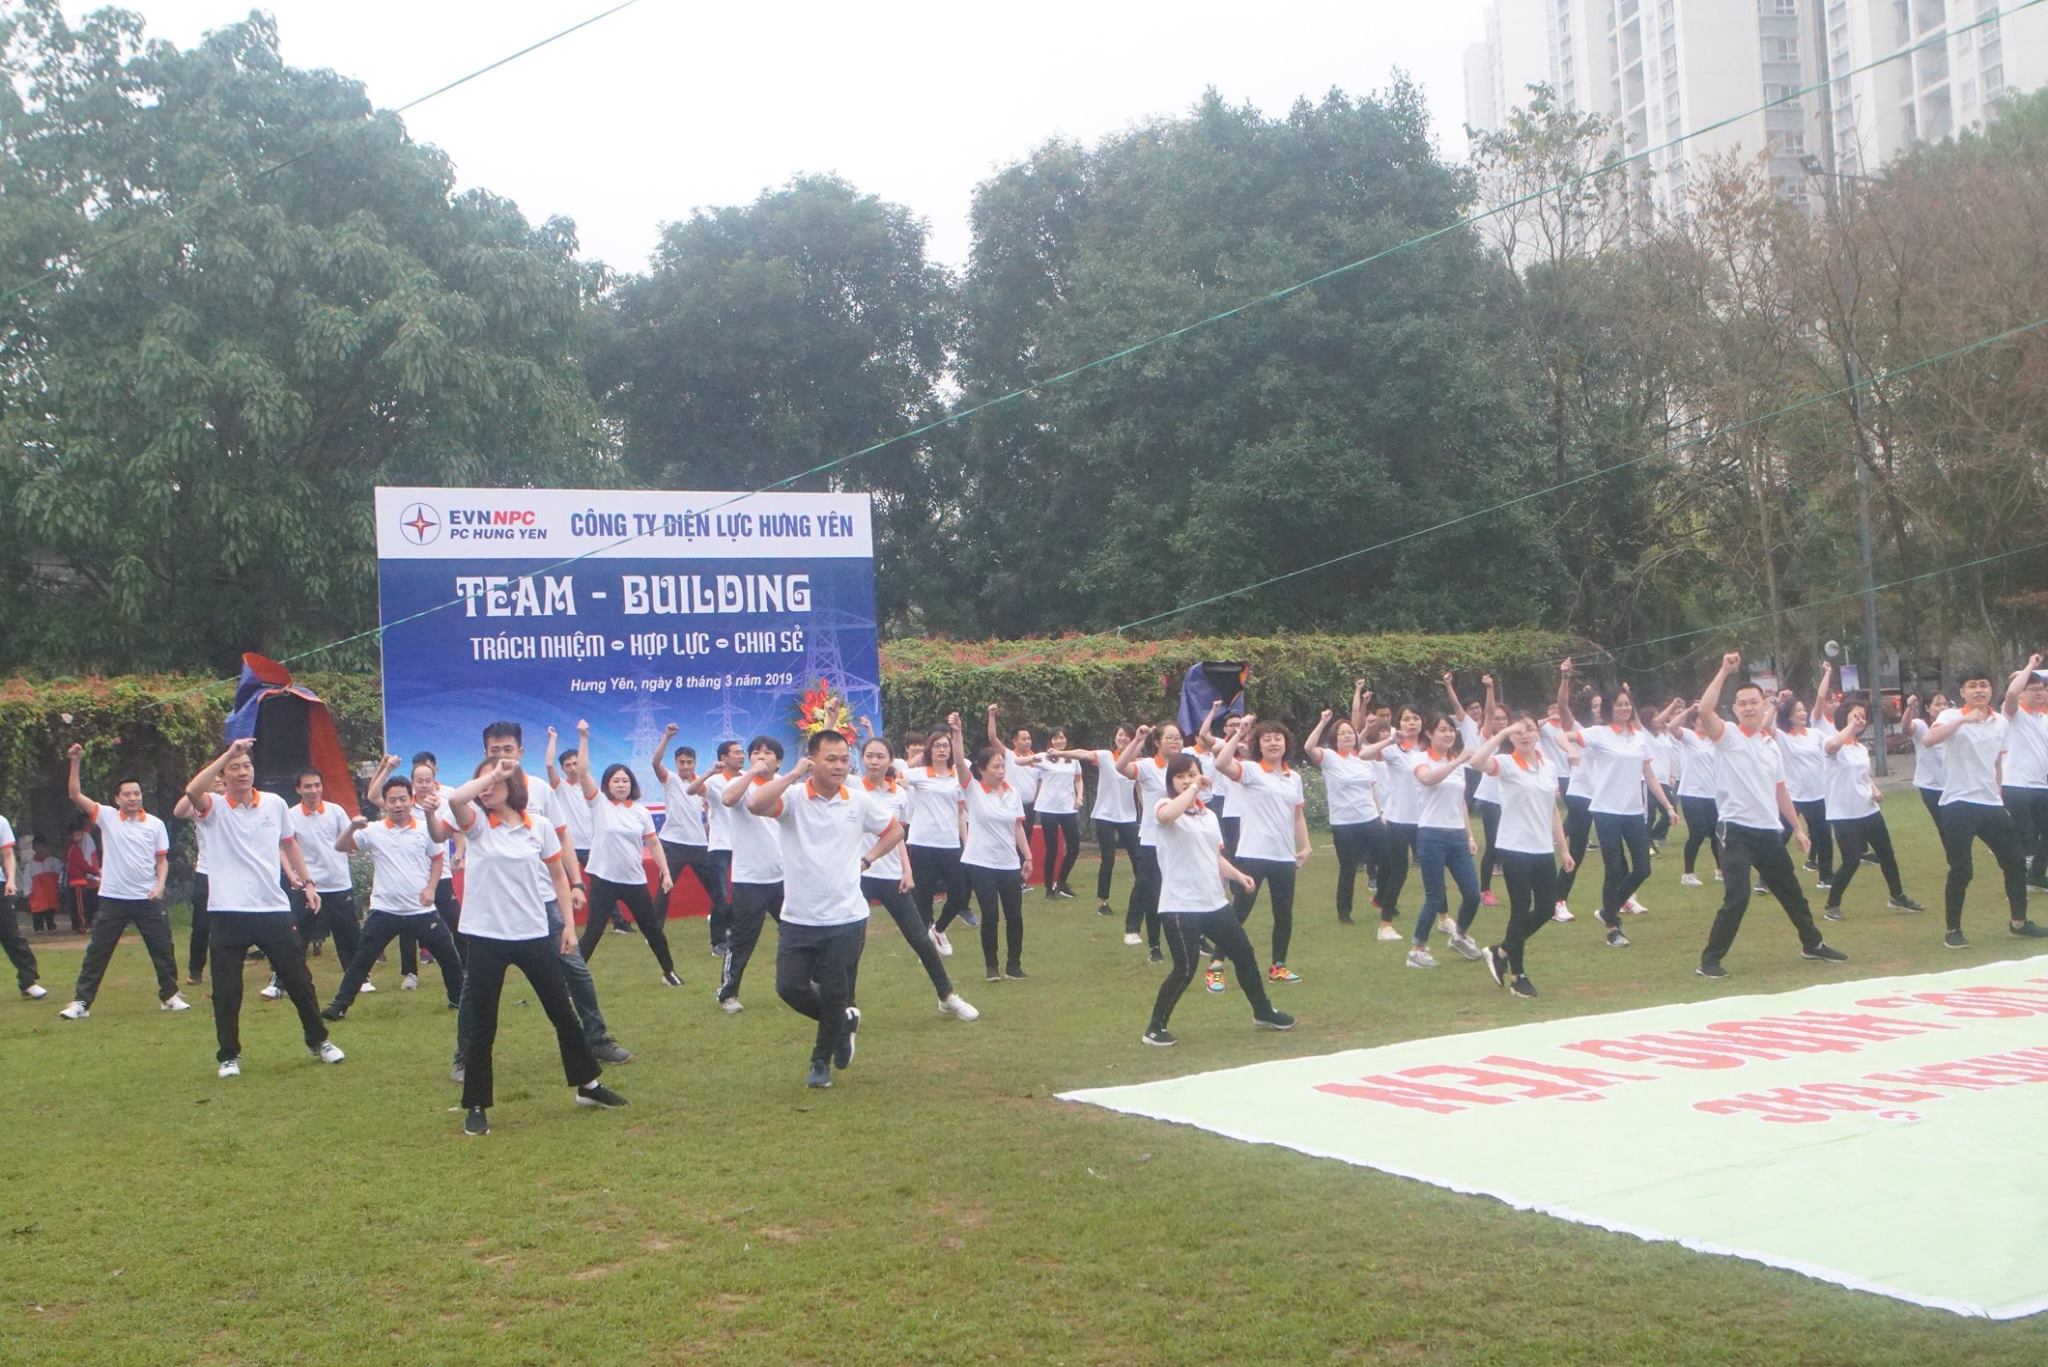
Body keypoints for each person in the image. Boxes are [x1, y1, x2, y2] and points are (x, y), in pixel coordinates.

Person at [445, 757, 627, 1136]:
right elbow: (456, 801)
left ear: (515, 787)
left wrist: (568, 928)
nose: (487, 788)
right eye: (483, 783)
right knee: (483, 1025)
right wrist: (491, 774)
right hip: (485, 937)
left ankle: (588, 1086)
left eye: (495, 782)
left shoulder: (538, 826)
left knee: (563, 1013)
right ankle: (476, 1104)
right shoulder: (477, 825)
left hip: (532, 933)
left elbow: (558, 877)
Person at [746, 730, 910, 1088]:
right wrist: (791, 774)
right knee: (789, 988)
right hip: (799, 917)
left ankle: (820, 1062)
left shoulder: (858, 800)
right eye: (831, 759)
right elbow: (755, 805)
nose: (839, 766)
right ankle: (843, 1023)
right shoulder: (792, 797)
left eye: (843, 758)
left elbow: (894, 830)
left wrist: (867, 860)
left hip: (846, 917)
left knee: (835, 991)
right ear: (812, 760)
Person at [182, 738, 343, 1076]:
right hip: (226, 910)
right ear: (223, 775)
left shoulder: (273, 804)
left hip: (271, 908)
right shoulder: (213, 806)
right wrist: (227, 753)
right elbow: (192, 789)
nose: (242, 773)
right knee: (227, 989)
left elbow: (289, 844)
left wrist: (308, 883)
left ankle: (319, 1040)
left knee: (298, 979)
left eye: (247, 766)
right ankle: (228, 1055)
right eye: (234, 768)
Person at [1691, 653, 1850, 979]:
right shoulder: (1727, 736)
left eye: (1754, 702)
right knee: (1738, 897)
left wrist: (1799, 828)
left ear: (1765, 706)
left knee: (1792, 893)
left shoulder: (1770, 745)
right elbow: (1705, 709)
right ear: (1735, 709)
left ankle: (1812, 944)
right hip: (1734, 830)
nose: (1749, 707)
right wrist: (1723, 670)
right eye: (1742, 703)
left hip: (1767, 831)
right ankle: (1709, 961)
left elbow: (1781, 791)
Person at [1142, 753, 1296, 1046]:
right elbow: (1167, 816)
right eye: (1181, 776)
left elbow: (1213, 855)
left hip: (1213, 902)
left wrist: (1238, 875)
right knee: (1184, 969)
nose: (1188, 780)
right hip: (1180, 905)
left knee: (1244, 954)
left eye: (1192, 774)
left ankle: (1263, 1011)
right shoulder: (1164, 805)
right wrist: (1192, 789)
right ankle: (1154, 1027)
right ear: (1171, 782)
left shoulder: (1208, 815)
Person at [1921, 661, 2048, 948]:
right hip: (1957, 803)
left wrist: (1999, 796)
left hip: (1990, 803)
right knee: (1962, 868)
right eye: (1973, 686)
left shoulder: (2000, 722)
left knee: (2015, 861)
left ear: (1991, 690)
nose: (1979, 690)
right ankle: (1953, 930)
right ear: (1963, 692)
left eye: (1984, 685)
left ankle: (2019, 922)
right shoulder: (1951, 715)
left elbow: (1996, 763)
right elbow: (1929, 740)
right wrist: (1963, 721)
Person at [56, 743, 188, 1019]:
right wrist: (76, 762)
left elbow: (162, 860)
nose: (132, 798)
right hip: (114, 897)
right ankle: (82, 1003)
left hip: (147, 897)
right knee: (98, 951)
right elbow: (74, 794)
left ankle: (169, 996)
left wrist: (160, 885)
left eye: (136, 794)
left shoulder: (155, 824)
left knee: (162, 948)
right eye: (127, 795)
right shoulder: (106, 816)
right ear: (117, 799)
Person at [856, 736, 978, 1020]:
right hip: (857, 876)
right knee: (852, 944)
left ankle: (947, 997)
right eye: (869, 756)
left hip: (891, 877)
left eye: (880, 756)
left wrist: (907, 870)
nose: (874, 761)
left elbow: (897, 834)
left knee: (921, 940)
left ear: (890, 761)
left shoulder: (898, 794)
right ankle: (846, 1006)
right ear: (862, 759)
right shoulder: (850, 788)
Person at [320, 773, 462, 1017]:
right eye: (393, 800)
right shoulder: (373, 831)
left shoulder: (425, 829)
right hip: (385, 909)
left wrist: (430, 888)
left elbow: (438, 860)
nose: (398, 805)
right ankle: (339, 1007)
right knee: (362, 959)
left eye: (403, 800)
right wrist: (353, 826)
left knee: (449, 954)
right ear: (384, 803)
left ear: (411, 801)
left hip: (420, 909)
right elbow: (341, 847)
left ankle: (459, 1001)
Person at [1556, 662, 1675, 944]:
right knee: (1613, 869)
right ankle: (1612, 929)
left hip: (1634, 811)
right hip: (1606, 811)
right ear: (1610, 708)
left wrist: (1668, 806)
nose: (1624, 708)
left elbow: (1648, 774)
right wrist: (1571, 751)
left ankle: (1607, 910)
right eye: (1619, 704)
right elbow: (1562, 735)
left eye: (1627, 704)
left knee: (1643, 868)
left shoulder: (1639, 738)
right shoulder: (1599, 734)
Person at [1465, 717, 1572, 997]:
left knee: (1548, 907)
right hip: (1514, 847)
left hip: (1542, 847)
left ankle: (1500, 951)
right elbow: (1477, 762)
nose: (1524, 736)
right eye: (1519, 732)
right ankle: (1518, 976)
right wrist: (1503, 733)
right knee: (1521, 908)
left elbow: (1552, 810)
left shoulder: (1548, 766)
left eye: (1530, 730)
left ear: (1538, 734)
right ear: (1512, 737)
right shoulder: (1508, 764)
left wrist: (1563, 849)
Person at [569, 723, 680, 983]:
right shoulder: (599, 803)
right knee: (594, 931)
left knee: (652, 929)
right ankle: (572, 979)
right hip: (604, 879)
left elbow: (653, 844)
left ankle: (669, 972)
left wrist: (665, 872)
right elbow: (583, 772)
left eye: (625, 780)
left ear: (632, 785)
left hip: (634, 880)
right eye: (616, 780)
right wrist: (584, 737)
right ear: (607, 784)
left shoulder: (641, 812)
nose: (621, 784)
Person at [1211, 716, 1311, 986]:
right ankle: (1216, 963)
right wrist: (1239, 733)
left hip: (1283, 857)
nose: (1273, 742)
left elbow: (1297, 816)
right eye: (1266, 738)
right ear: (1257, 745)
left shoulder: (1294, 778)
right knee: (1240, 911)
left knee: (1284, 914)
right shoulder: (1252, 771)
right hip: (1253, 854)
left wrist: (1306, 846)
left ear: (1286, 742)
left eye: (1277, 738)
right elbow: (1221, 763)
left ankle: (1278, 965)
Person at [1819, 702, 1924, 920]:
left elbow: (1863, 775)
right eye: (1855, 715)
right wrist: (1849, 726)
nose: (1860, 719)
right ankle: (1832, 905)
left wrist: (1874, 789)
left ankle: (1897, 896)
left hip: (1868, 810)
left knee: (1887, 854)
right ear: (1844, 718)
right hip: (1844, 814)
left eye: (1863, 716)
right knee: (1851, 860)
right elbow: (1833, 746)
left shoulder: (1860, 748)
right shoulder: (1831, 742)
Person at [1398, 714, 1484, 968]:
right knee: (1435, 896)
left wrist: (1468, 834)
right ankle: (1417, 950)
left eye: (1451, 731)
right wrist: (1458, 760)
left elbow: (1461, 803)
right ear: (1430, 734)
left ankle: (1459, 936)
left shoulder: (1456, 764)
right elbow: (1427, 779)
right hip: (1431, 834)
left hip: (1456, 834)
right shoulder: (1420, 758)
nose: (1448, 735)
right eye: (1442, 730)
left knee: (1472, 893)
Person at [954, 714, 1034, 981]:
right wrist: (957, 733)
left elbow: (1018, 827)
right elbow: (958, 764)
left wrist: (1028, 856)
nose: (1001, 771)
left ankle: (1014, 964)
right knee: (990, 915)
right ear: (982, 769)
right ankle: (992, 966)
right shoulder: (973, 789)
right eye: (996, 767)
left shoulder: (1012, 793)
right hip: (981, 862)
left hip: (1009, 862)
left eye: (1003, 766)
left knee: (1015, 915)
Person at [717, 735, 788, 1012]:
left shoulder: (784, 785)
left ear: (779, 761)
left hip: (783, 876)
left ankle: (809, 981)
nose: (761, 757)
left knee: (798, 931)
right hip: (750, 878)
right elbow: (728, 798)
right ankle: (728, 993)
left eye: (768, 753)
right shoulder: (741, 783)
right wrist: (752, 775)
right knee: (743, 938)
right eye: (756, 753)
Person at [1304, 707, 1387, 931]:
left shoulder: (1361, 761)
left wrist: (1380, 816)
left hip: (1370, 818)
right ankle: (1344, 912)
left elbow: (1372, 791)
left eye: (1350, 732)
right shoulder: (1329, 758)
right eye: (1342, 733)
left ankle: (1381, 899)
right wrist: (1322, 722)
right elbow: (1309, 747)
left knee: (1388, 861)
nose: (1347, 735)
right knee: (1348, 869)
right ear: (1335, 739)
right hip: (1344, 824)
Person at [1116, 720, 1192, 964]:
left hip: (1181, 838)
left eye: (1178, 737)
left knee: (1184, 888)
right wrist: (1137, 740)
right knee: (1154, 892)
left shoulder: (1187, 766)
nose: (1175, 741)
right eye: (1169, 738)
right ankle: (1155, 945)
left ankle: (1194, 939)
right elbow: (1121, 766)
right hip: (1152, 840)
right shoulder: (1149, 766)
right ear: (1158, 742)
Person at [282, 767, 365, 989]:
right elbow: (284, 847)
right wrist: (292, 874)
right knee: (298, 935)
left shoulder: (336, 811)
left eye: (317, 785)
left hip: (338, 882)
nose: (313, 790)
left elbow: (347, 841)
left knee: (348, 933)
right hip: (308, 886)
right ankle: (284, 980)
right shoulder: (290, 815)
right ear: (298, 789)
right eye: (307, 786)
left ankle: (358, 978)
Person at [1046, 726, 1139, 920]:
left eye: (1127, 736)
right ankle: (1102, 902)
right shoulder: (1106, 755)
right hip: (1105, 815)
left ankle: (1142, 897)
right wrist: (1061, 752)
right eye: (1120, 734)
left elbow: (1140, 789)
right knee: (1108, 859)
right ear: (1115, 737)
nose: (1123, 738)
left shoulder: (1137, 761)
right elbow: (1082, 753)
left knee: (1138, 860)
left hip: (1128, 817)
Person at [652, 727, 730, 954]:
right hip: (672, 843)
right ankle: (655, 932)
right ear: (676, 764)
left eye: (689, 762)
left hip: (699, 845)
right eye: (681, 763)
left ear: (695, 763)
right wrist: (666, 737)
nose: (685, 766)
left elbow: (712, 808)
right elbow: (656, 762)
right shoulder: (671, 780)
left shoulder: (705, 785)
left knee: (717, 891)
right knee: (664, 888)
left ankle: (721, 936)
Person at [902, 725, 971, 955]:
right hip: (923, 842)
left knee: (959, 895)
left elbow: (961, 812)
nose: (942, 750)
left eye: (946, 746)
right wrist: (920, 757)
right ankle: (925, 948)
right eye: (937, 746)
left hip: (949, 843)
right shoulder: (919, 775)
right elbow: (899, 774)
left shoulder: (957, 778)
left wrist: (966, 841)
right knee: (923, 896)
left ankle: (939, 930)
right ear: (930, 750)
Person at [1364, 702, 1427, 943]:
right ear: (1398, 724)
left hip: (1425, 819)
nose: (1411, 723)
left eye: (1415, 718)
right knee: (1398, 873)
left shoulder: (1426, 750)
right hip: (1399, 820)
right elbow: (1364, 754)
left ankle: (1444, 919)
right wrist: (1391, 739)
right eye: (1406, 719)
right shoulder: (1393, 750)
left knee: (1433, 870)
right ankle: (1385, 924)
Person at [1776, 671, 1836, 890]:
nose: (1802, 713)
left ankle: (1826, 877)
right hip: (1793, 795)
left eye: (1803, 710)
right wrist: (1777, 702)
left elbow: (1832, 746)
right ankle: (1767, 876)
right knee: (1782, 835)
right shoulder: (1782, 737)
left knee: (1824, 837)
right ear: (1789, 716)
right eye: (1797, 710)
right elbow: (1765, 726)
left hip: (1818, 793)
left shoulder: (1815, 734)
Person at [688, 740, 746, 956]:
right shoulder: (715, 781)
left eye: (742, 752)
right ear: (723, 758)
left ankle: (735, 931)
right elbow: (691, 789)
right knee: (720, 895)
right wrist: (709, 772)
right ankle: (718, 942)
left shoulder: (748, 777)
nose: (741, 756)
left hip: (743, 843)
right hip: (720, 843)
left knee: (743, 891)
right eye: (736, 753)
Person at [1999, 662, 2048, 890]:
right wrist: (2029, 666)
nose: (2041, 693)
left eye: (2043, 689)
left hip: (2040, 786)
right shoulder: (2014, 714)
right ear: (2023, 694)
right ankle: (2017, 883)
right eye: (2035, 689)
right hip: (2016, 785)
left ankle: (2036, 877)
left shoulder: (2044, 719)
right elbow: (2011, 692)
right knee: (2025, 839)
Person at [177, 776, 223, 983]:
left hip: (233, 873)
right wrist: (197, 789)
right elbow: (179, 811)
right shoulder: (203, 805)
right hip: (206, 871)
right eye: (213, 779)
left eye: (221, 777)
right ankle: (196, 970)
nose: (218, 781)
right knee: (202, 925)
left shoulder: (238, 802)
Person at [1672, 704, 1723, 886]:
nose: (1703, 722)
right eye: (1700, 718)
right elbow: (1671, 727)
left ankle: (1721, 870)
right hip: (1691, 793)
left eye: (1705, 718)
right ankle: (1688, 874)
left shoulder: (1715, 740)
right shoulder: (1690, 736)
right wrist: (1688, 711)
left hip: (1712, 795)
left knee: (1717, 834)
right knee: (1698, 833)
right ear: (1694, 721)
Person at [1031, 728, 1084, 898]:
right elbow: (1028, 768)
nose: (1059, 741)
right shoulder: (1044, 757)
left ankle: (1061, 882)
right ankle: (1049, 888)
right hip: (1048, 808)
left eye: (1062, 738)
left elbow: (1078, 779)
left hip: (1067, 807)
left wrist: (1079, 796)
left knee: (1074, 847)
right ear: (1050, 741)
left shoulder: (1073, 759)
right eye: (1055, 738)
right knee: (1052, 849)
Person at [1, 813, 47, 999]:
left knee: (12, 936)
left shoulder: (1, 821)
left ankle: (28, 982)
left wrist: (11, 880)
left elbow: (8, 855)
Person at [988, 705, 1042, 848]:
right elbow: (992, 738)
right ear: (1014, 741)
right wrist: (992, 716)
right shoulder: (1009, 755)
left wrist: (1037, 801)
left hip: (1030, 807)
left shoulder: (1037, 759)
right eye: (1023, 739)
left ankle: (1023, 868)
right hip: (1010, 805)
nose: (1027, 741)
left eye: (1029, 738)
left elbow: (1040, 783)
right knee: (1009, 842)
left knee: (1026, 843)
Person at [1903, 693, 1950, 833]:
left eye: (1944, 704)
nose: (1942, 707)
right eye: (1937, 704)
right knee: (1945, 827)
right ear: (1927, 708)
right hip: (1931, 787)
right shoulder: (1922, 725)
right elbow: (1906, 728)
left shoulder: (1952, 725)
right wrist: (1909, 709)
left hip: (1952, 785)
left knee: (1958, 825)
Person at [64, 823, 98, 933]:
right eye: (77, 835)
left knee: (76, 905)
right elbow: (82, 864)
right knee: (80, 906)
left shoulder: (71, 848)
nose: (79, 838)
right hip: (77, 881)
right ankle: (83, 926)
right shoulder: (74, 850)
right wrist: (95, 871)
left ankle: (76, 926)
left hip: (76, 880)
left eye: (80, 835)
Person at [26, 835, 63, 934]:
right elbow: (27, 878)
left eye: (42, 846)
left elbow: (60, 874)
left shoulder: (54, 861)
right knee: (37, 910)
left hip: (50, 891)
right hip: (37, 892)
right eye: (37, 847)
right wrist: (27, 890)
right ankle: (39, 928)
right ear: (34, 848)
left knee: (50, 909)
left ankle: (51, 925)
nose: (40, 849)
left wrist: (60, 886)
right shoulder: (30, 864)